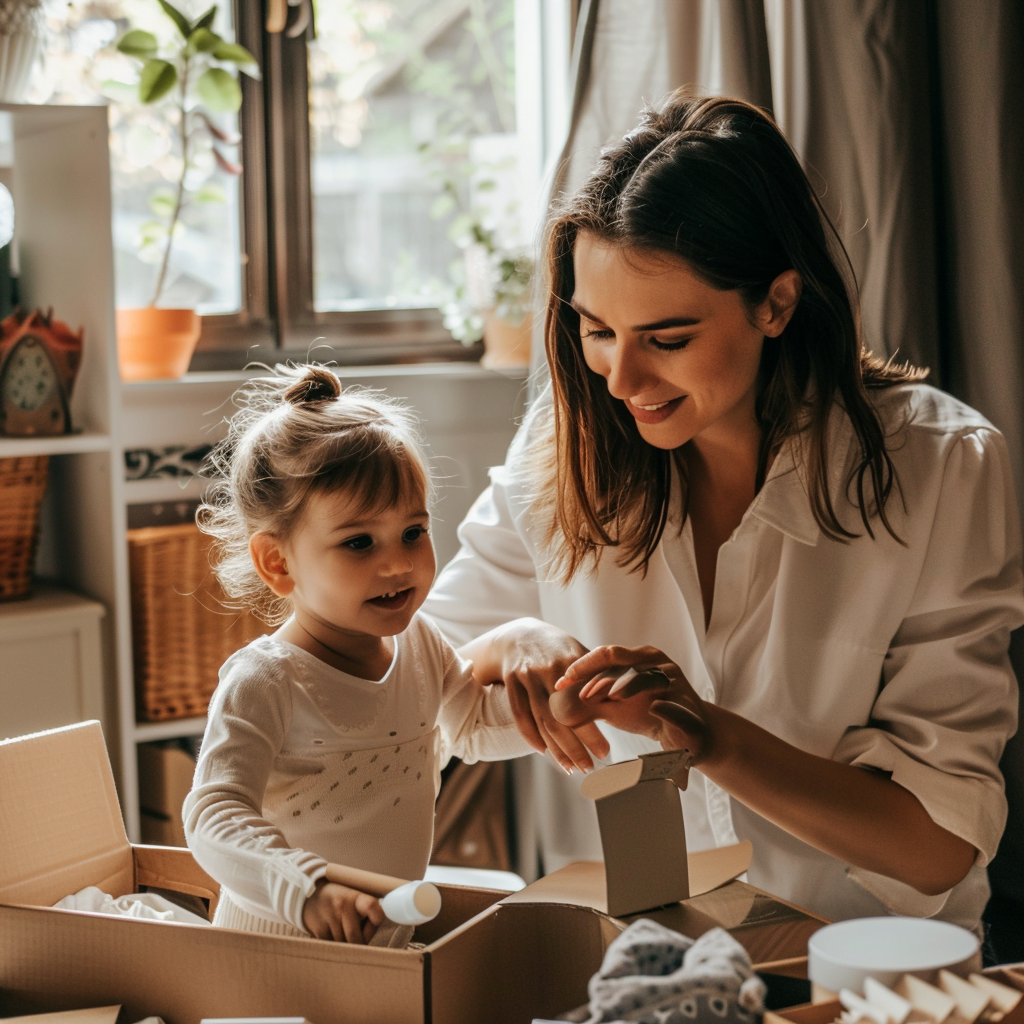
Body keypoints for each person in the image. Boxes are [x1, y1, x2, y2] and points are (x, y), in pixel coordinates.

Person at [424, 92, 1024, 932]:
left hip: (864, 969)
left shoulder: (942, 468)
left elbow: (938, 848)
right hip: (636, 961)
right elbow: (395, 690)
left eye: (667, 339)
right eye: (597, 331)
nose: (622, 382)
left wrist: (707, 736)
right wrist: (501, 644)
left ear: (775, 303)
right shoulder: (564, 448)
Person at [183, 365, 534, 944]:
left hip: (382, 949)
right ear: (278, 563)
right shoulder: (266, 679)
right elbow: (213, 817)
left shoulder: (420, 643)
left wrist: (553, 711)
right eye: (358, 542)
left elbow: (470, 724)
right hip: (271, 959)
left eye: (414, 533)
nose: (397, 564)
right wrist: (307, 886)